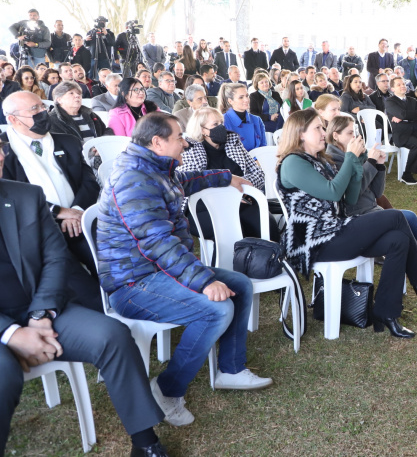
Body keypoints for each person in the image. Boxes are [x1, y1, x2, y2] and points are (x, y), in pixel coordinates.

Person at [97, 112, 273, 427]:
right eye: (179, 136)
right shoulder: (133, 180)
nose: (185, 141)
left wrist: (224, 176)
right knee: (215, 310)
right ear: (157, 141)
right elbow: (159, 244)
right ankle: (166, 390)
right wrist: (204, 282)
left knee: (240, 285)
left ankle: (230, 370)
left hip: (158, 272)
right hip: (133, 283)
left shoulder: (154, 168)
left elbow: (184, 180)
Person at [0, 164, 170, 457]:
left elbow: (55, 259)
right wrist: (10, 333)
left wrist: (40, 316)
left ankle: (145, 443)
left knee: (112, 335)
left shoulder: (26, 195)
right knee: (3, 374)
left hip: (41, 308)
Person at [276, 109, 417, 338]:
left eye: (323, 128)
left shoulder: (320, 160)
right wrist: (351, 158)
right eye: (318, 128)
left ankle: (387, 313)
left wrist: (374, 164)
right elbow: (332, 193)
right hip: (313, 241)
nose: (324, 132)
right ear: (300, 134)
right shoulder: (293, 162)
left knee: (397, 240)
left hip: (336, 229)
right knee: (396, 216)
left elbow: (349, 198)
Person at [325, 114, 417, 277]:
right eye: (350, 133)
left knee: (405, 225)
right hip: (356, 218)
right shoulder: (335, 160)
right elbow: (353, 195)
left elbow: (377, 192)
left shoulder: (356, 154)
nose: (355, 137)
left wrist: (379, 166)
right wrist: (370, 163)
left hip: (371, 210)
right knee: (408, 218)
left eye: (355, 131)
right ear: (336, 135)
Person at [0, 92, 102, 310]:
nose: (43, 113)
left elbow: (89, 181)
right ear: (13, 119)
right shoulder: (4, 153)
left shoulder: (68, 141)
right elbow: (9, 195)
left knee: (111, 262)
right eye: (34, 110)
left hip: (79, 220)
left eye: (42, 107)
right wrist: (58, 212)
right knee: (81, 287)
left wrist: (74, 210)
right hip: (38, 228)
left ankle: (132, 301)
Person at [179, 108, 279, 242]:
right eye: (215, 124)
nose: (221, 127)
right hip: (205, 207)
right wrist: (229, 192)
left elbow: (258, 174)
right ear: (202, 129)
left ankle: (269, 260)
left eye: (222, 123)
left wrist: (243, 188)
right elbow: (192, 184)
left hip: (242, 201)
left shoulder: (233, 142)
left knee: (267, 224)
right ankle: (233, 261)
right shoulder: (191, 150)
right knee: (234, 230)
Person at [220, 82, 267, 151]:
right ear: (230, 101)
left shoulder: (257, 120)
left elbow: (263, 148)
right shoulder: (222, 121)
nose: (246, 100)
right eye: (241, 97)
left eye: (247, 96)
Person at [249, 72, 285, 136]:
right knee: (282, 129)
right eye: (261, 82)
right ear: (257, 85)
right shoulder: (254, 96)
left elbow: (283, 107)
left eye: (266, 81)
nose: (265, 84)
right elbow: (252, 113)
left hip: (279, 119)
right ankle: (279, 135)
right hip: (265, 121)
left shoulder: (275, 94)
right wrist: (269, 117)